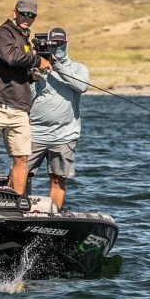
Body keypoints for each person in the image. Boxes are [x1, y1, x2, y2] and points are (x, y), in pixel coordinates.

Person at [0, 0, 52, 195]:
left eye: (31, 15)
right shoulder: (3, 32)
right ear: (14, 13)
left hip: (19, 108)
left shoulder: (25, 40)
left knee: (22, 158)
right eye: (23, 14)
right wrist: (38, 60)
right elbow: (11, 57)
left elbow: (19, 69)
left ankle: (17, 200)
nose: (27, 18)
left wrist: (32, 76)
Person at [27, 27, 89, 209]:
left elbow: (82, 86)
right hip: (34, 133)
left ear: (67, 44)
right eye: (54, 44)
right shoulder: (37, 66)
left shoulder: (77, 68)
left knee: (57, 180)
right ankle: (15, 211)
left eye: (61, 43)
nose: (57, 47)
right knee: (20, 173)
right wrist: (33, 76)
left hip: (64, 136)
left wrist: (57, 66)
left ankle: (53, 215)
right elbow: (26, 97)